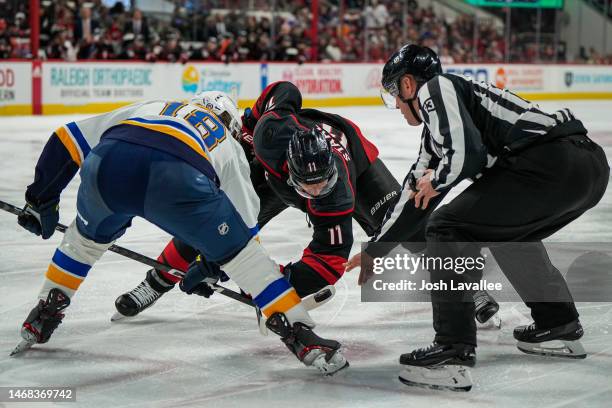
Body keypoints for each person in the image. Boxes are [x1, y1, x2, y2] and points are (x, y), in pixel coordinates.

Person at [14, 92, 348, 375]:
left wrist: (40, 198)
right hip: (177, 175)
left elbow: (66, 138)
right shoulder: (229, 145)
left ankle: (45, 310)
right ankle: (300, 335)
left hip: (109, 163)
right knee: (247, 259)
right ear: (232, 125)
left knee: (83, 243)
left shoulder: (153, 105)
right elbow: (245, 239)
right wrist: (214, 266)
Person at [345, 44, 609, 391]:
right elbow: (413, 196)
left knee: (446, 228)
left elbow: (466, 154)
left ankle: (452, 352)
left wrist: (437, 180)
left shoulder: (435, 89)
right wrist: (376, 249)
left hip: (550, 163)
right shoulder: (436, 130)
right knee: (505, 232)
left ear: (409, 85)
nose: (395, 104)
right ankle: (557, 325)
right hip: (585, 168)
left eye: (394, 93)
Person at [113, 82, 403, 317]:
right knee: (212, 217)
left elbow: (328, 262)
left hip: (357, 161)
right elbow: (285, 90)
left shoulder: (336, 195)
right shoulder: (269, 135)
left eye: (322, 185)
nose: (316, 192)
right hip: (276, 174)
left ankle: (440, 287)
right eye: (308, 185)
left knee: (405, 233)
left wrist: (277, 281)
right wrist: (251, 122)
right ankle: (155, 282)